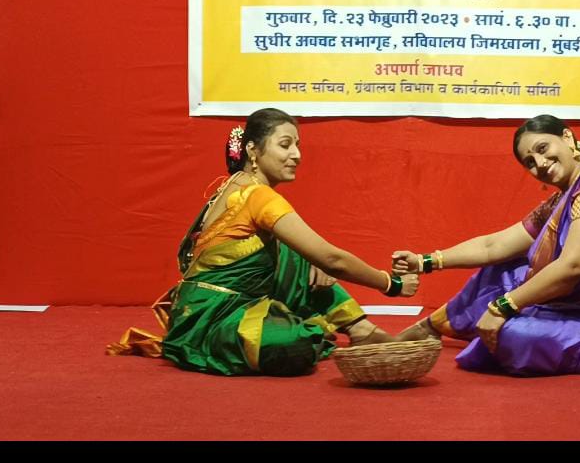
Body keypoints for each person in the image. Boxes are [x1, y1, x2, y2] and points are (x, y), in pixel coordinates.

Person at [108, 108, 418, 376]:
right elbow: (333, 260)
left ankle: (361, 329)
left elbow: (319, 257)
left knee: (297, 252)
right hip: (212, 319)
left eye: (297, 145)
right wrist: (390, 284)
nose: (296, 155)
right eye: (285, 145)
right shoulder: (259, 197)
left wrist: (311, 261)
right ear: (253, 150)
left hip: (200, 306)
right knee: (294, 345)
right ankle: (318, 326)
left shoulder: (235, 184)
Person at [392, 115, 580, 376]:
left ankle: (487, 326)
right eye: (530, 162)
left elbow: (573, 267)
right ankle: (433, 326)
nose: (540, 164)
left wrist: (502, 307)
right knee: (501, 272)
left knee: (510, 333)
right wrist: (425, 261)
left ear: (567, 138)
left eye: (543, 149)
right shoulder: (561, 200)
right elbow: (493, 246)